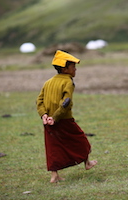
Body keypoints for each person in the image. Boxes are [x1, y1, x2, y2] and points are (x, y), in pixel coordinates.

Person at [36, 50, 97, 183]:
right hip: (64, 119)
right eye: (73, 66)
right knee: (80, 139)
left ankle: (54, 175)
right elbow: (66, 102)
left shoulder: (48, 82)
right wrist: (56, 117)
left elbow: (39, 101)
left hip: (48, 120)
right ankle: (87, 163)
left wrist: (44, 115)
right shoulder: (68, 82)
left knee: (53, 147)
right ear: (65, 69)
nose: (75, 69)